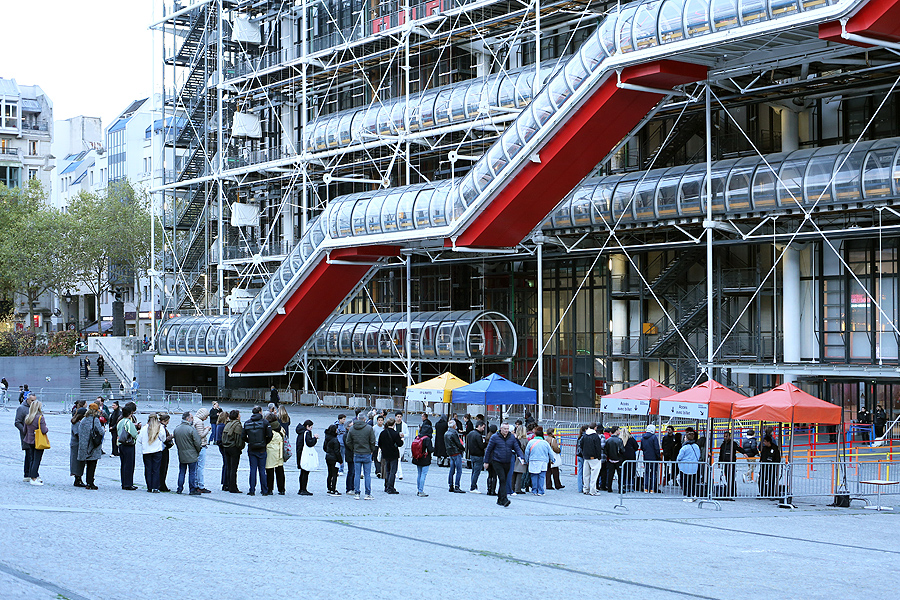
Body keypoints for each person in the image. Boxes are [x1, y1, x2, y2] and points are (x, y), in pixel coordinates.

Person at [484, 423, 525, 507]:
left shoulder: (511, 437)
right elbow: (488, 450)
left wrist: (521, 457)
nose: (506, 431)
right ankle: (504, 499)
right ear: (501, 429)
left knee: (504, 480)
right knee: (502, 479)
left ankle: (499, 499)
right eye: (504, 429)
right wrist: (486, 461)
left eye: (507, 429)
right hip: (497, 461)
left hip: (507, 461)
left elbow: (517, 448)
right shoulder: (495, 437)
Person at [243, 406, 273, 496]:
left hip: (252, 448)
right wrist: (264, 442)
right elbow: (270, 435)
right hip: (262, 448)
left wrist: (249, 441)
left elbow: (243, 436)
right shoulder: (264, 422)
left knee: (252, 469)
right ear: (260, 412)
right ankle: (264, 490)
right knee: (262, 470)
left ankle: (252, 490)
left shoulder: (247, 423)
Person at [345, 414, 377, 500]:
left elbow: (348, 441)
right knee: (367, 475)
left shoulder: (352, 428)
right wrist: (371, 450)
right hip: (366, 453)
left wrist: (354, 448)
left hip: (356, 453)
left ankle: (357, 493)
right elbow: (372, 441)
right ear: (364, 419)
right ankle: (367, 493)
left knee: (357, 474)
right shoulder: (369, 428)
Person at [174, 411, 202, 495]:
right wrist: (198, 451)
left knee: (182, 472)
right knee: (192, 472)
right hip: (192, 454)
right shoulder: (191, 429)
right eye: (192, 418)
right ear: (188, 419)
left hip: (181, 453)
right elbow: (197, 442)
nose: (193, 419)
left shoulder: (177, 429)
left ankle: (179, 488)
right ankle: (192, 489)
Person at [77, 403, 104, 490]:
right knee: (92, 465)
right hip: (93, 445)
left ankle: (86, 481)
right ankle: (90, 482)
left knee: (87, 464)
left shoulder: (84, 420)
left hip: (84, 445)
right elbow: (101, 431)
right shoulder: (95, 420)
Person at [23, 399, 49, 485]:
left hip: (29, 440)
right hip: (38, 441)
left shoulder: (28, 417)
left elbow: (24, 430)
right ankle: (34, 478)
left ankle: (32, 475)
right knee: (37, 459)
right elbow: (44, 430)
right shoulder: (40, 417)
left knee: (32, 458)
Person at [139, 412, 166, 493]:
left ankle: (149, 486)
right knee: (156, 469)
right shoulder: (160, 427)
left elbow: (139, 440)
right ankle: (155, 487)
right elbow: (164, 439)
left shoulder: (144, 428)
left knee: (148, 469)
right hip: (156, 450)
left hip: (146, 451)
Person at [116, 402, 140, 490]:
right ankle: (128, 483)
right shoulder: (128, 422)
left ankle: (124, 482)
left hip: (121, 444)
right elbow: (134, 434)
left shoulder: (120, 421)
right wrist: (138, 432)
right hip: (128, 445)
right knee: (129, 464)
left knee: (123, 464)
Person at [525, 426, 554, 496]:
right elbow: (550, 452)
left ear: (535, 435)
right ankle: (540, 490)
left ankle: (534, 490)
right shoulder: (545, 443)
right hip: (543, 461)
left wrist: (527, 460)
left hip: (533, 460)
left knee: (534, 476)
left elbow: (527, 452)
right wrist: (552, 459)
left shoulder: (531, 442)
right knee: (541, 476)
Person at [378, 417, 403, 494]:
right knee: (393, 471)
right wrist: (401, 438)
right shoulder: (395, 434)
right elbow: (400, 444)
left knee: (387, 470)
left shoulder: (383, 433)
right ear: (394, 424)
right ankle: (390, 487)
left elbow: (379, 443)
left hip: (385, 453)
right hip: (393, 453)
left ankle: (386, 486)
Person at [220, 410, 243, 493]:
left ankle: (228, 484)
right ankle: (233, 487)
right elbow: (238, 438)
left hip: (226, 447)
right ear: (237, 416)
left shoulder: (228, 424)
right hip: (233, 448)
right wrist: (240, 447)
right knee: (233, 468)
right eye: (239, 415)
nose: (240, 416)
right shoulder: (237, 425)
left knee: (229, 467)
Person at [718, 430, 746, 496]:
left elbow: (739, 448)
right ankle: (729, 490)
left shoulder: (733, 443)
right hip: (725, 463)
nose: (725, 438)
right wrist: (719, 462)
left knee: (732, 477)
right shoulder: (723, 445)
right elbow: (721, 454)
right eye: (724, 436)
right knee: (727, 477)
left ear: (730, 436)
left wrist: (744, 453)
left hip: (731, 463)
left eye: (726, 436)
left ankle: (733, 491)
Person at [192, 407, 212, 493]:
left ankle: (195, 484)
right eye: (206, 416)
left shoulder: (194, 420)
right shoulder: (199, 422)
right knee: (200, 467)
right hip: (201, 445)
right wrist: (207, 430)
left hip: (195, 446)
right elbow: (201, 435)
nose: (206, 418)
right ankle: (200, 485)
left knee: (196, 466)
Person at [265, 414, 286, 496]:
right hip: (280, 451)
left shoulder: (268, 428)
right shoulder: (280, 428)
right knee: (280, 471)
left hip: (271, 451)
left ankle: (269, 489)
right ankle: (282, 489)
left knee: (270, 471)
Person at [677, 431, 701, 500]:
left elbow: (679, 457)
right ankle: (693, 494)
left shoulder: (684, 447)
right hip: (694, 466)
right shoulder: (696, 446)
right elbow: (698, 455)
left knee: (685, 481)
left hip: (685, 467)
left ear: (686, 438)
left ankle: (687, 495)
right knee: (692, 482)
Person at [296, 419, 318, 495]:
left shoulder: (300, 432)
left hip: (300, 453)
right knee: (305, 472)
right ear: (307, 426)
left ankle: (301, 489)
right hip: (305, 454)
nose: (311, 428)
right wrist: (315, 438)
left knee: (302, 472)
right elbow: (310, 443)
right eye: (311, 427)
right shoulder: (307, 433)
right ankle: (303, 489)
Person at [581, 423, 603, 496]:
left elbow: (581, 445)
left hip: (586, 456)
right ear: (595, 428)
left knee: (586, 474)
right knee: (594, 475)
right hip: (594, 457)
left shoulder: (584, 436)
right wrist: (599, 456)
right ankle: (592, 490)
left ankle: (586, 489)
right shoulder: (595, 436)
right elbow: (598, 448)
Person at [412, 423, 434, 497]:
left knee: (419, 474)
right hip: (425, 458)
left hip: (418, 457)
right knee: (423, 474)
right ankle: (421, 491)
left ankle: (419, 489)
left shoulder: (417, 437)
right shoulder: (427, 439)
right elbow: (430, 449)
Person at [444, 418, 465, 493]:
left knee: (451, 470)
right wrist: (463, 448)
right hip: (456, 452)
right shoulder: (454, 433)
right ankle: (457, 486)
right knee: (459, 470)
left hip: (451, 453)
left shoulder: (446, 433)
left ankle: (451, 485)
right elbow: (458, 443)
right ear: (453, 426)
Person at [466, 421, 486, 493]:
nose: (483, 429)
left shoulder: (470, 433)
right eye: (483, 427)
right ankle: (473, 487)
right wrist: (485, 443)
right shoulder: (478, 435)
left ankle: (473, 485)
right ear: (479, 426)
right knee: (476, 472)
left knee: (474, 471)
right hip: (478, 455)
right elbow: (481, 446)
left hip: (472, 454)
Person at [640, 425, 661, 492]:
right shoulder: (654, 437)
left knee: (646, 473)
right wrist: (658, 457)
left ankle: (646, 488)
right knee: (654, 473)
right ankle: (652, 488)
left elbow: (642, 447)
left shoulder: (643, 437)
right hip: (654, 458)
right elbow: (656, 448)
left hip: (646, 457)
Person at [70, 407, 88, 487]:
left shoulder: (79, 422)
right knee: (77, 462)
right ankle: (77, 478)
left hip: (79, 444)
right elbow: (78, 434)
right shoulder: (76, 423)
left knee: (80, 462)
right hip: (77, 445)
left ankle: (79, 478)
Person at [604, 426, 624, 493]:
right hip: (618, 459)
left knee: (610, 474)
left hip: (610, 459)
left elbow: (605, 450)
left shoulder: (608, 440)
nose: (619, 431)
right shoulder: (619, 440)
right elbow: (622, 450)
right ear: (616, 431)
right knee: (620, 475)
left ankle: (609, 488)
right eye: (618, 430)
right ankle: (620, 489)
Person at [324, 424, 343, 496]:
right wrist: (340, 460)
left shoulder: (327, 438)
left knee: (330, 473)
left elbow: (324, 448)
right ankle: (333, 489)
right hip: (334, 458)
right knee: (335, 474)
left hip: (328, 457)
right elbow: (337, 451)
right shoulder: (335, 440)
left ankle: (329, 488)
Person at [619, 427, 639, 492]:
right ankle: (631, 485)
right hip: (631, 457)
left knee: (623, 472)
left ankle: (623, 485)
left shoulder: (620, 439)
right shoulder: (631, 439)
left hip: (622, 458)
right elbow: (636, 447)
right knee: (631, 471)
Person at [213, 411, 228, 490]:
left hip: (221, 445)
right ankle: (225, 482)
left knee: (225, 463)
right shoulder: (222, 426)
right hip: (223, 446)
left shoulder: (218, 425)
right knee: (226, 463)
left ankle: (224, 482)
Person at [158, 413, 173, 492]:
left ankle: (160, 483)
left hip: (160, 449)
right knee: (163, 467)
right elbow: (164, 439)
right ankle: (162, 484)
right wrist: (171, 436)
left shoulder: (158, 426)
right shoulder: (162, 428)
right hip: (163, 449)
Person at [394, 411, 408, 480]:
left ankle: (397, 473)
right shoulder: (393, 424)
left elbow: (407, 434)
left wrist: (403, 435)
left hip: (401, 443)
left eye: (400, 417)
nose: (399, 418)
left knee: (398, 458)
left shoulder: (404, 425)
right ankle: (399, 473)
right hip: (394, 444)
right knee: (398, 459)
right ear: (395, 417)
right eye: (398, 417)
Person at [373, 413, 385, 478]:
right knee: (376, 458)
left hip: (382, 445)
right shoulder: (374, 428)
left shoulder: (384, 428)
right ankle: (378, 471)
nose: (380, 421)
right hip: (376, 445)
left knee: (381, 458)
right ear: (377, 421)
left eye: (381, 420)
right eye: (379, 420)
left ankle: (381, 470)